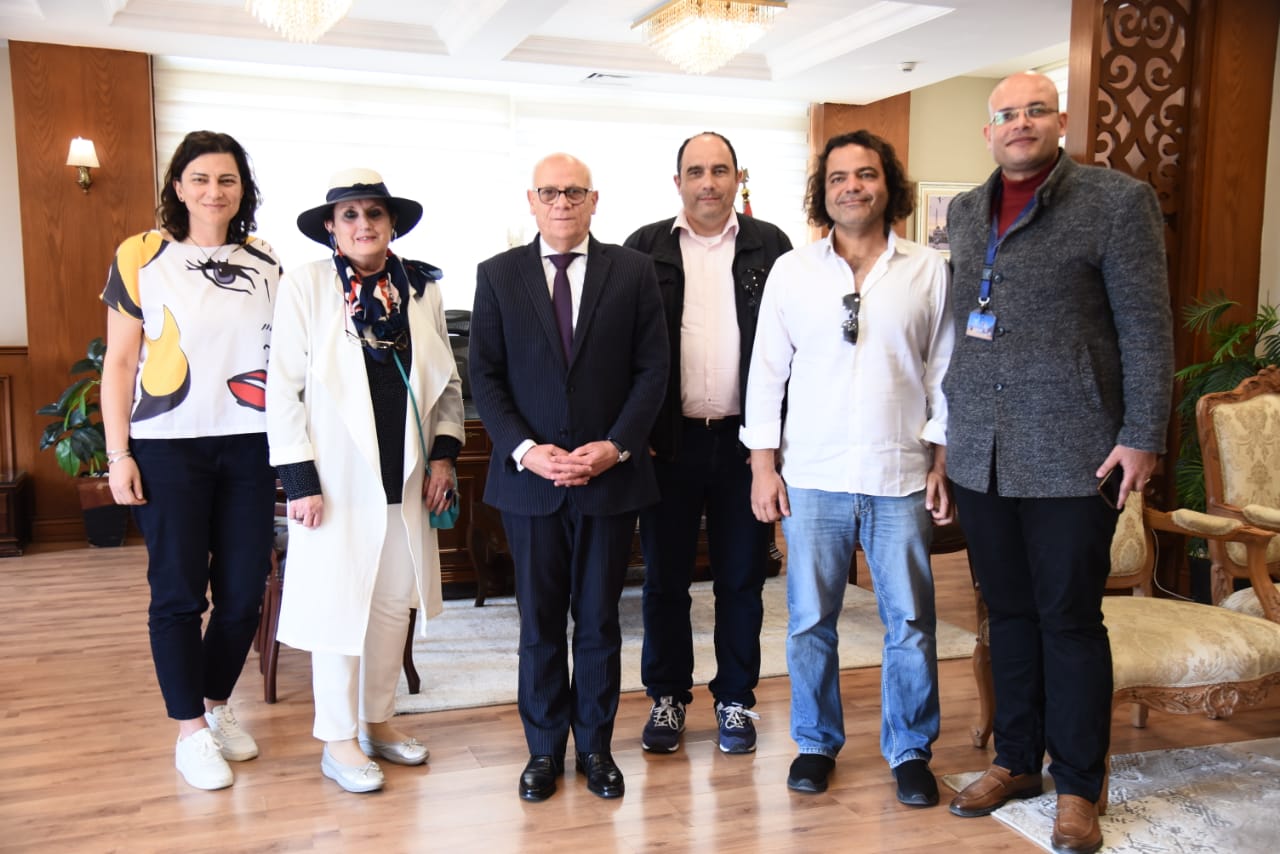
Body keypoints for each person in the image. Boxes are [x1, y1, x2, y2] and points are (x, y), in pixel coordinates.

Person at [942, 72, 1173, 854]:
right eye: (1006, 114)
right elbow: (961, 326)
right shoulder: (966, 211)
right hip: (983, 452)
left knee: (1069, 619)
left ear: (1060, 120)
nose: (1020, 123)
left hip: (1077, 453)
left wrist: (1142, 434)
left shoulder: (1116, 202)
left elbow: (1147, 328)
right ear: (989, 132)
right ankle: (1015, 761)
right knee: (1006, 615)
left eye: (1035, 110)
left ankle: (1077, 784)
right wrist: (948, 435)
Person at [742, 130, 954, 803]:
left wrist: (941, 461)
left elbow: (944, 373)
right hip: (812, 477)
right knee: (810, 621)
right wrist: (763, 467)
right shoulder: (793, 271)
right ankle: (814, 743)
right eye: (838, 177)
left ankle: (910, 750)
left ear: (889, 185)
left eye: (866, 174)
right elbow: (766, 374)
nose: (852, 187)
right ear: (823, 191)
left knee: (911, 624)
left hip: (901, 476)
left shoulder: (927, 269)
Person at [469, 153, 668, 802]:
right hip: (530, 484)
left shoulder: (633, 271)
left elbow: (652, 370)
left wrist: (616, 446)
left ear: (593, 200)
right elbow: (485, 377)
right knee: (540, 624)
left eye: (574, 192)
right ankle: (543, 750)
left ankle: (597, 750)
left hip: (609, 480)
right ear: (531, 201)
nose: (562, 202)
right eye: (550, 192)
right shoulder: (498, 275)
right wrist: (527, 450)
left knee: (601, 621)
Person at [265, 169, 464, 795]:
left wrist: (443, 457)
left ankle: (377, 721)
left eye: (374, 213)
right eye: (349, 214)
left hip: (405, 476)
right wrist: (300, 479)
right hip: (334, 479)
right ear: (331, 226)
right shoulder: (305, 286)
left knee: (390, 604)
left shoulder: (421, 290)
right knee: (338, 605)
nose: (363, 225)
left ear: (392, 223)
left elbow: (448, 384)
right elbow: (282, 389)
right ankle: (338, 739)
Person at [101, 130, 281, 791]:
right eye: (200, 178)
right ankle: (189, 731)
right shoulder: (142, 255)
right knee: (178, 593)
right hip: (167, 443)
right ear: (178, 186)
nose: (214, 191)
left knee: (243, 593)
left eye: (227, 179)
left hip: (252, 443)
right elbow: (121, 362)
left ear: (242, 189)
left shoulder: (265, 259)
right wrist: (118, 453)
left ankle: (215, 704)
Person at [623, 131, 792, 755]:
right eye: (696, 172)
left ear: (737, 178)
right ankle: (667, 697)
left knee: (741, 579)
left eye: (720, 170)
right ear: (678, 183)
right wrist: (633, 433)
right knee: (664, 580)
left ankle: (735, 700)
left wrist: (774, 444)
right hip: (667, 447)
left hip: (747, 447)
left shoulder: (770, 245)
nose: (708, 183)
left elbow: (790, 346)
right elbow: (621, 350)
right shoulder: (643, 248)